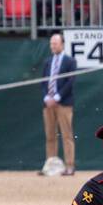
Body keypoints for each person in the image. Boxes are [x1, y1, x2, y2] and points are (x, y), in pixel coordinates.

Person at [41, 31, 77, 176]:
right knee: (50, 135)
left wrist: (57, 96)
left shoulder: (70, 61)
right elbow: (43, 81)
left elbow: (70, 81)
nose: (52, 46)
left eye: (55, 43)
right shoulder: (48, 62)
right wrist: (46, 97)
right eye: (51, 43)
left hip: (64, 103)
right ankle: (50, 165)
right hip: (47, 104)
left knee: (67, 135)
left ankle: (69, 166)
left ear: (62, 44)